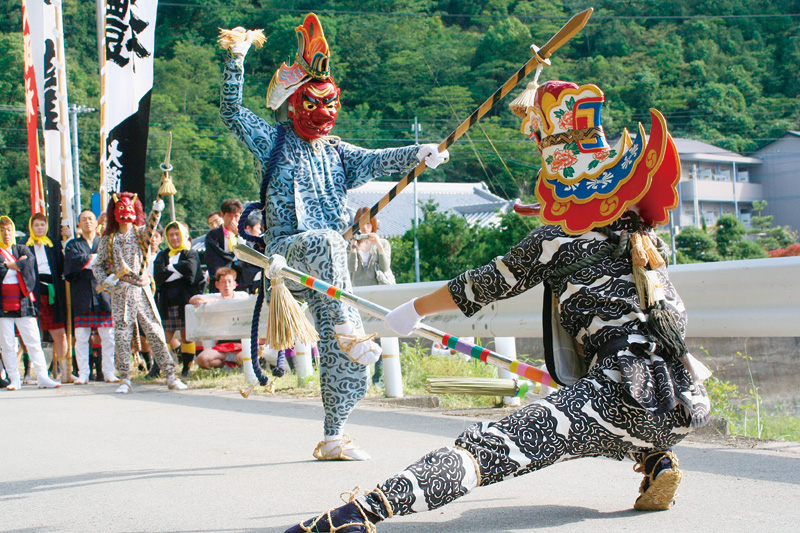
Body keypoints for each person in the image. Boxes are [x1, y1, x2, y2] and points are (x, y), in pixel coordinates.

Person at [286, 79, 712, 531]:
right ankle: (657, 460)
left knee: (485, 448)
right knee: (610, 411)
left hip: (616, 390)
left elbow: (484, 285)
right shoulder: (643, 239)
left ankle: (357, 515)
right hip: (683, 399)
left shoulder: (556, 240)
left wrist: (415, 309)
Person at [220, 14, 448, 460]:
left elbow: (378, 159)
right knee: (327, 244)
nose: (323, 114)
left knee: (352, 360)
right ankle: (347, 326)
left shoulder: (338, 153)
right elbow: (232, 111)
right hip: (289, 253)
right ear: (293, 104)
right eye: (313, 104)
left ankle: (333, 435)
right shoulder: (272, 141)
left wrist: (419, 153)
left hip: (330, 268)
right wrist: (236, 59)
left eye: (330, 105)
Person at [93, 192, 187, 393]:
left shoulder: (141, 234)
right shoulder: (108, 240)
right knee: (122, 334)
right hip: (121, 291)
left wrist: (157, 209)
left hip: (142, 288)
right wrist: (106, 279)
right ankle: (125, 378)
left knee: (155, 331)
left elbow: (152, 225)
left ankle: (170, 374)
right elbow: (98, 266)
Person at [0, 216, 60, 389]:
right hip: (3, 304)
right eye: (3, 230)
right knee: (7, 344)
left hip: (24, 301)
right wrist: (15, 265)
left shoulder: (21, 248)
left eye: (9, 230)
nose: (6, 233)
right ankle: (14, 379)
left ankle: (42, 376)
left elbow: (29, 264)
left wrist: (11, 264)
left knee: (33, 340)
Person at [64, 210, 118, 384]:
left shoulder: (104, 242)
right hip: (82, 295)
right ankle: (83, 374)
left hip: (104, 295)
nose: (87, 222)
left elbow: (110, 264)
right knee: (81, 337)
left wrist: (89, 261)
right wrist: (94, 260)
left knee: (108, 337)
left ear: (96, 223)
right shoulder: (72, 245)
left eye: (90, 219)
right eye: (83, 220)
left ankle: (109, 372)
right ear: (78, 224)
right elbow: (73, 263)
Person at [347, 206, 395, 385]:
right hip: (358, 291)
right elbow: (351, 269)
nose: (365, 228)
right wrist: (352, 249)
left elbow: (385, 268)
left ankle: (379, 374)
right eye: (362, 224)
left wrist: (379, 246)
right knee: (361, 332)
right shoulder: (351, 243)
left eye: (369, 224)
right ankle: (361, 373)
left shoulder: (383, 243)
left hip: (379, 290)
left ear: (373, 224)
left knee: (381, 330)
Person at [153, 221, 204, 378]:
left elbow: (191, 271)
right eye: (171, 235)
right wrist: (178, 270)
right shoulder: (162, 255)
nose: (174, 238)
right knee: (164, 336)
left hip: (185, 299)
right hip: (167, 300)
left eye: (177, 234)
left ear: (183, 235)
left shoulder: (190, 253)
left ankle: (186, 368)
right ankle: (157, 367)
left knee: (186, 336)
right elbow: (159, 275)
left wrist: (170, 268)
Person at [25, 213, 69, 380]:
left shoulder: (54, 244)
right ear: (31, 227)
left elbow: (62, 266)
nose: (40, 228)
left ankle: (64, 370)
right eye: (36, 225)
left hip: (53, 292)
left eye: (42, 225)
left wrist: (67, 241)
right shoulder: (24, 246)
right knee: (31, 334)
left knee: (59, 333)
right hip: (32, 294)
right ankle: (32, 372)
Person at [189, 267, 249, 369]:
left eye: (230, 282)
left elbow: (234, 301)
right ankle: (226, 367)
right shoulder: (215, 296)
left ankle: (237, 367)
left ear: (235, 284)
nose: (227, 285)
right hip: (222, 347)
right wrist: (211, 300)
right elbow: (193, 299)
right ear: (217, 285)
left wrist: (215, 301)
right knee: (202, 359)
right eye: (223, 282)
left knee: (247, 358)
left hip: (241, 345)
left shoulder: (242, 295)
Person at [204, 199, 243, 292]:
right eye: (229, 216)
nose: (233, 220)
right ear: (222, 215)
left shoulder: (245, 235)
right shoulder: (213, 236)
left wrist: (239, 235)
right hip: (220, 283)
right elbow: (214, 259)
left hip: (240, 283)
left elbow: (249, 256)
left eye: (236, 216)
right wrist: (235, 257)